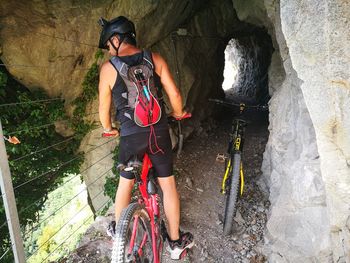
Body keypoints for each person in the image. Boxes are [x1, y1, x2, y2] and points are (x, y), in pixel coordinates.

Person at [97, 16, 194, 259]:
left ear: (117, 39)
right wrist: (179, 113)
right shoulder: (155, 58)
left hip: (131, 136)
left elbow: (103, 107)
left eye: (109, 44)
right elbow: (174, 92)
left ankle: (121, 234)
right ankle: (174, 242)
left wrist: (109, 128)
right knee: (168, 185)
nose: (109, 50)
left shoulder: (109, 69)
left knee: (125, 184)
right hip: (158, 133)